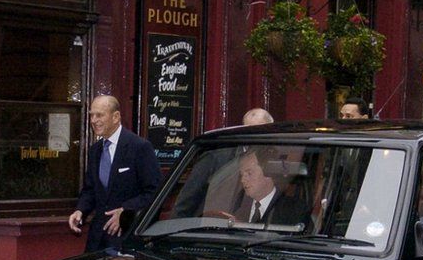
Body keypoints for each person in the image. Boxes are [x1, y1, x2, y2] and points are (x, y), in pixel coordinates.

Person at [68, 95, 161, 252]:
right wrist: (80, 211)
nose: (93, 120)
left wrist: (125, 211)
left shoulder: (139, 147)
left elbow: (155, 192)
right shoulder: (95, 150)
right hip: (97, 240)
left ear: (116, 116)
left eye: (99, 115)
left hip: (126, 238)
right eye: (91, 115)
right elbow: (90, 189)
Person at [171, 108, 273, 218]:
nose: (255, 138)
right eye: (249, 131)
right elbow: (187, 200)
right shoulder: (216, 157)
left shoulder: (276, 157)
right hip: (214, 227)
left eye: (261, 132)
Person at [236, 147, 309, 226]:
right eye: (242, 174)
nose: (242, 180)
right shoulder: (237, 207)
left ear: (269, 172)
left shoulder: (294, 210)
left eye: (249, 173)